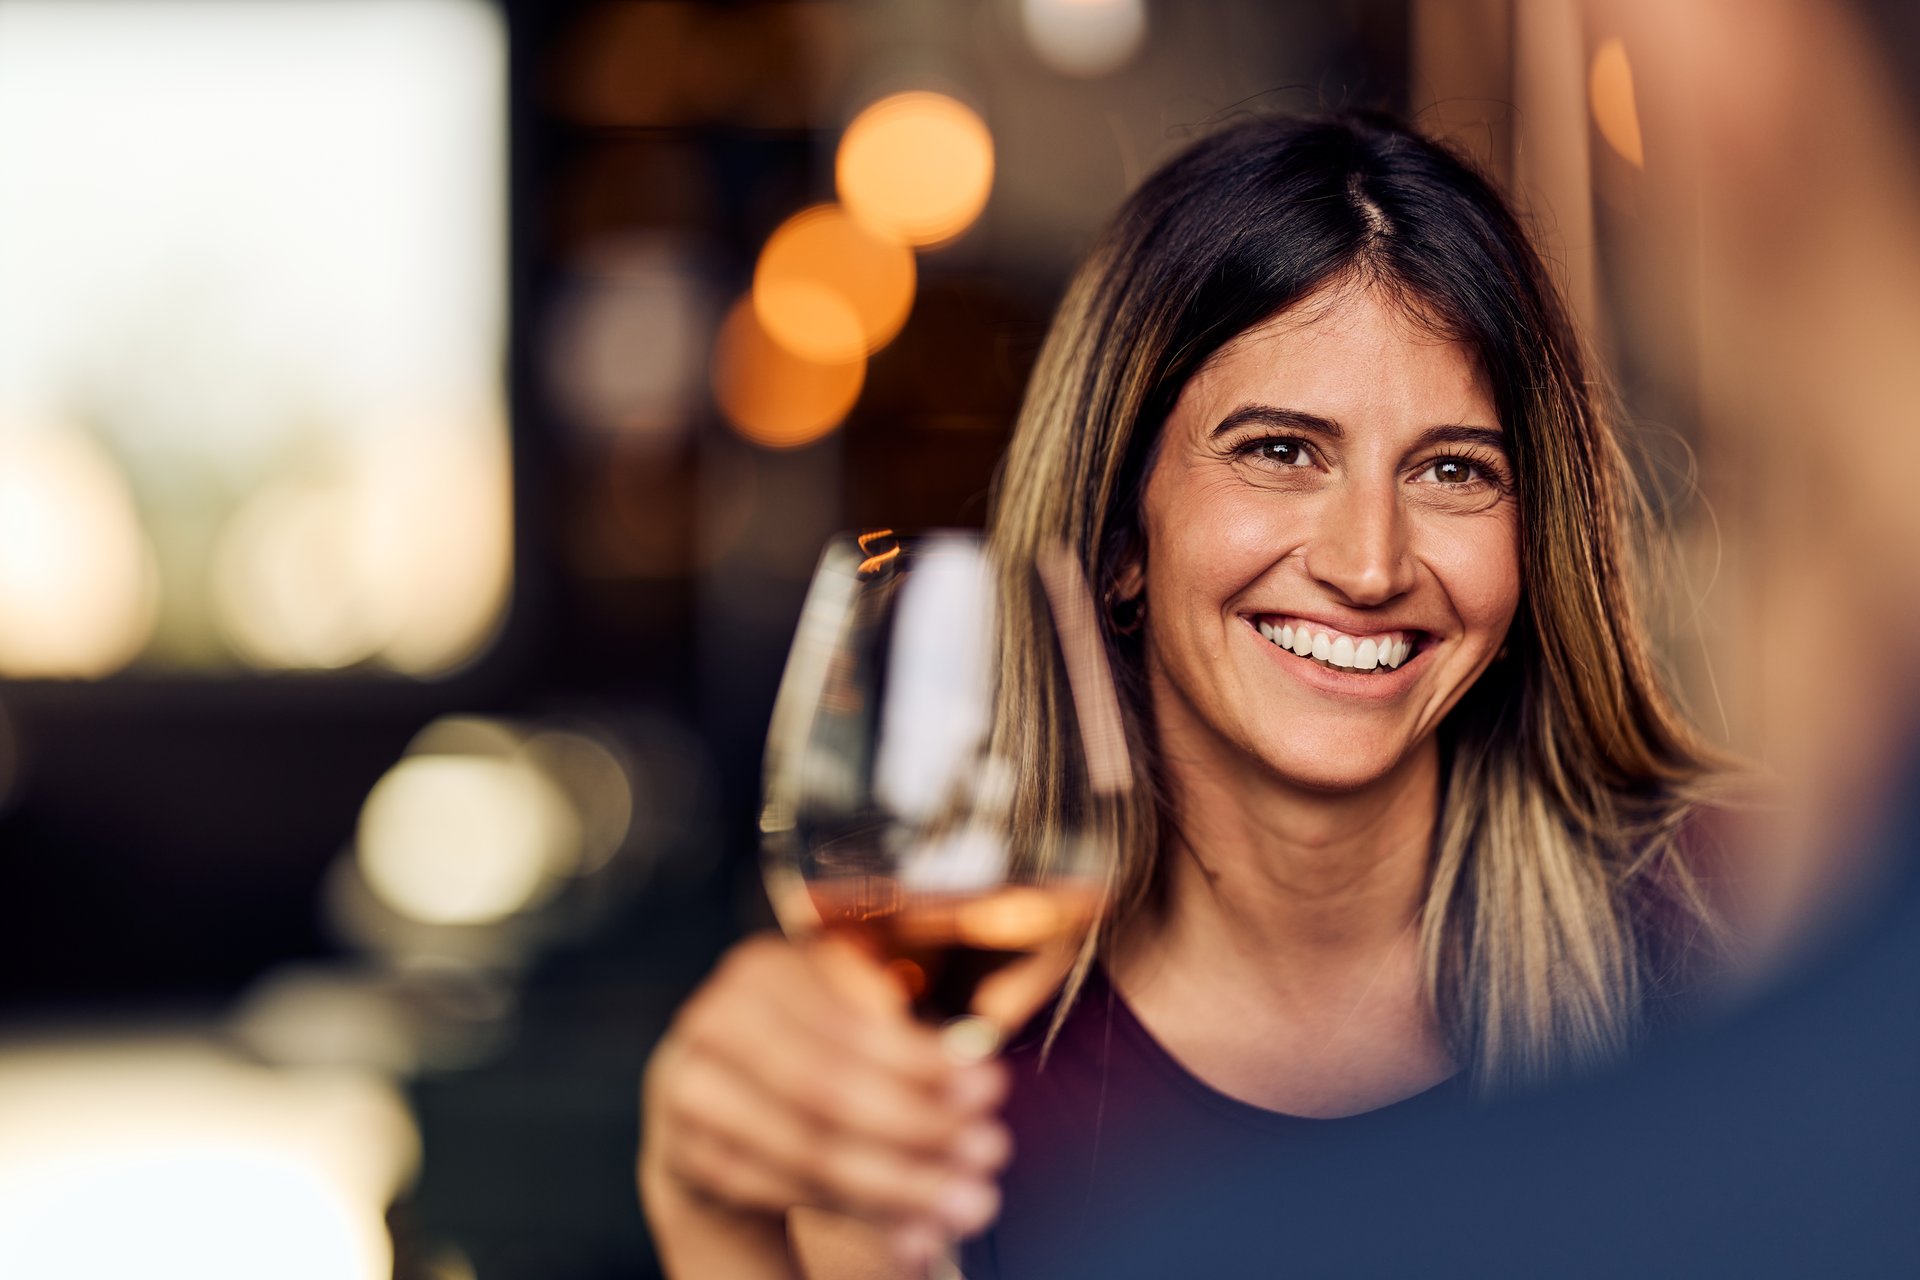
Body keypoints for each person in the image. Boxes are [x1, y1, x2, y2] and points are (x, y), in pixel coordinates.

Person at [639, 110, 1734, 1279]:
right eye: (1280, 450)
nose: (1370, 564)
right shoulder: (944, 1049)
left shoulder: (1740, 928)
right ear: (1122, 539)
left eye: (1455, 469)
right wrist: (716, 1229)